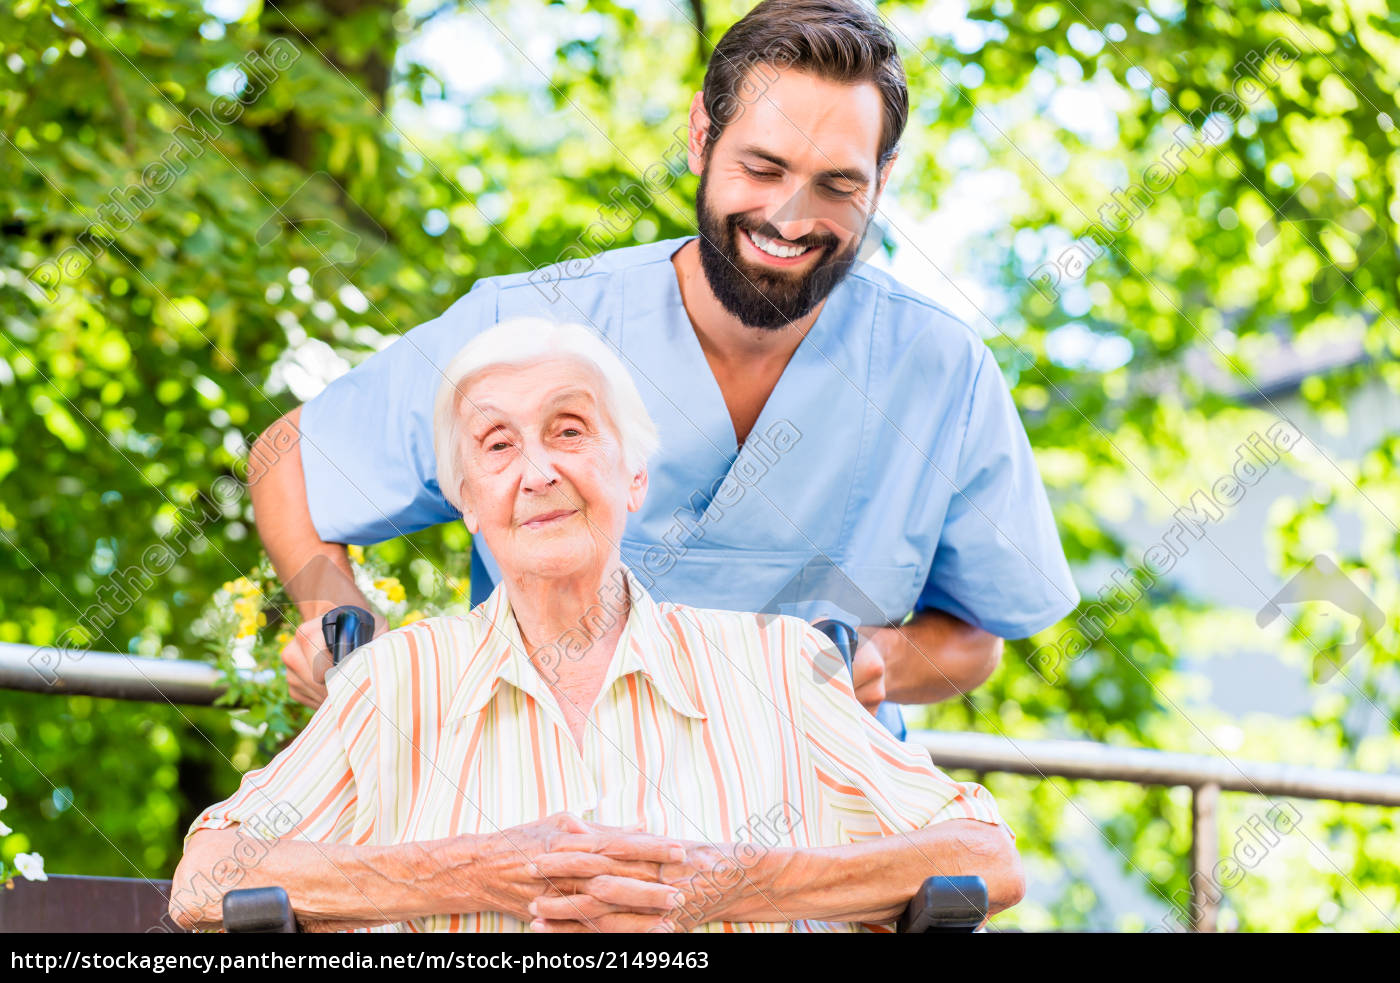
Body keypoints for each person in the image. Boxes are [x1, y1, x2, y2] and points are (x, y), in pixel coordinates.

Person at [252, 0, 1078, 715]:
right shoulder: (534, 322)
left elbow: (975, 640)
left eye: (837, 185)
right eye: (763, 167)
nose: (791, 217)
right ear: (700, 137)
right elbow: (289, 459)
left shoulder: (941, 370)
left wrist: (869, 663)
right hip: (551, 810)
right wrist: (338, 625)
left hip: (821, 832)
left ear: (883, 181)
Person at [172, 319, 1023, 933]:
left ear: (634, 475)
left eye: (569, 430)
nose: (537, 471)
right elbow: (208, 878)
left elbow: (986, 856)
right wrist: (474, 871)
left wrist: (731, 880)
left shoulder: (774, 665)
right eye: (497, 446)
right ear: (469, 502)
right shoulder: (398, 681)